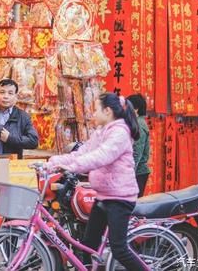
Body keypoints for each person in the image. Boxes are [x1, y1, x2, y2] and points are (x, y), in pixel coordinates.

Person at [47, 93, 146, 270]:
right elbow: (82, 152)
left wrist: (72, 167)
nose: (93, 114)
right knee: (88, 244)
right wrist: (52, 163)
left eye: (96, 110)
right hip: (103, 196)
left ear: (107, 111)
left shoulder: (120, 133)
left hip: (120, 198)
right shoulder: (101, 132)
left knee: (119, 249)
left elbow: (100, 156)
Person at [0, 78, 39, 237]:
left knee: (11, 209)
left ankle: (10, 249)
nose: (5, 96)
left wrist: (10, 138)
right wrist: (2, 132)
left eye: (10, 93)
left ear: (16, 97)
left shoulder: (23, 116)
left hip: (11, 168)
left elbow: (33, 141)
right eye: (2, 92)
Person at [127, 94, 150, 197]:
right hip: (136, 172)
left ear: (135, 109)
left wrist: (128, 175)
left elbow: (136, 153)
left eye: (127, 106)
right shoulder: (137, 122)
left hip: (137, 173)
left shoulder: (139, 125)